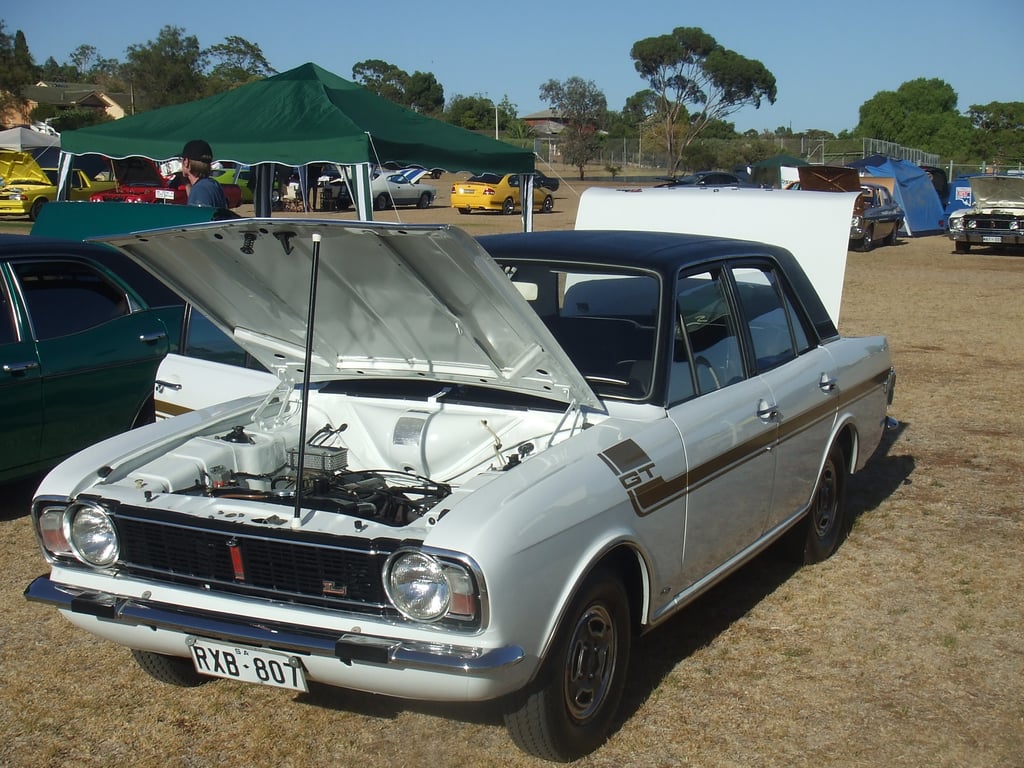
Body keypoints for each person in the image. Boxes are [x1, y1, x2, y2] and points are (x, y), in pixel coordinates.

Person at [180, 139, 228, 208]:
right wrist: (187, 184)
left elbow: (198, 216)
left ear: (186, 162)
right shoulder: (213, 184)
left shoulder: (200, 189)